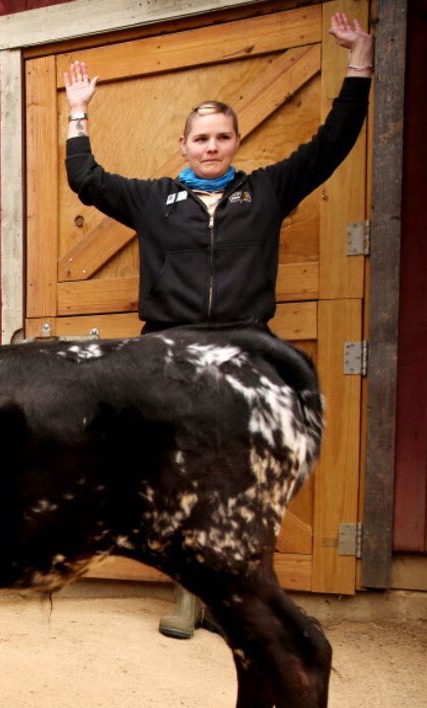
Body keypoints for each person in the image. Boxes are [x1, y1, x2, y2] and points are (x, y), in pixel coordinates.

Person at [62, 13, 374, 635]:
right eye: (201, 138)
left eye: (222, 138)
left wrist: (359, 64)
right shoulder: (155, 200)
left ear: (235, 143)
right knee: (173, 475)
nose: (211, 147)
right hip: (170, 354)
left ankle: (250, 594)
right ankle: (187, 594)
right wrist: (78, 112)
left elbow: (333, 142)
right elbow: (86, 180)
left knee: (248, 473)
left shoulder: (267, 190)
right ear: (184, 146)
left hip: (245, 349)